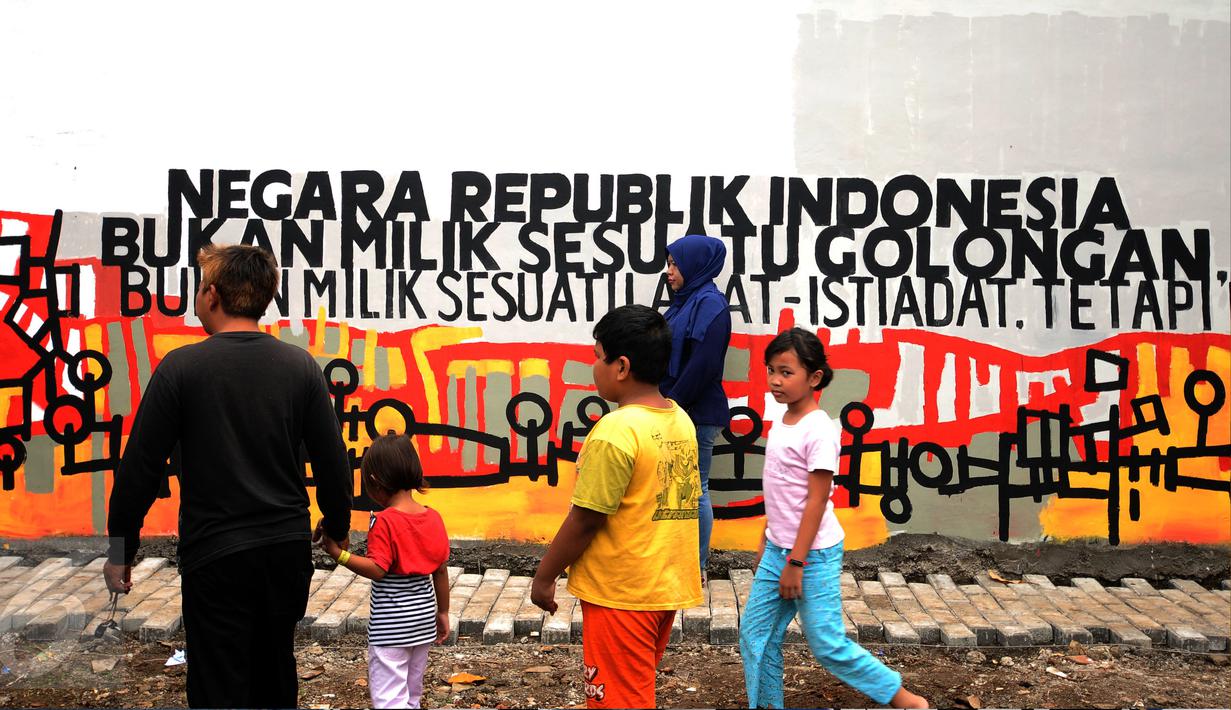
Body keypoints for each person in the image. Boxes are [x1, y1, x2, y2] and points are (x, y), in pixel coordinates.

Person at [103, 244, 354, 709]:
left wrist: (121, 550)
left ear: (212, 296)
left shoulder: (182, 368)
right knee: (276, 671)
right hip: (284, 553)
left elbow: (139, 468)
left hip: (215, 557)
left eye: (200, 288)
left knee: (219, 682)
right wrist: (336, 525)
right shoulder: (300, 368)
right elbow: (333, 461)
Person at [738, 327, 927, 709]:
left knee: (826, 644)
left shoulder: (820, 430)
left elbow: (815, 501)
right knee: (755, 636)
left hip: (812, 556)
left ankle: (906, 700)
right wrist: (768, 537)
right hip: (780, 550)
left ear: (815, 377)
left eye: (786, 372)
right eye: (771, 370)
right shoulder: (783, 421)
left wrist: (795, 561)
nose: (775, 380)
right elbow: (780, 493)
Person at [530, 304, 703, 709]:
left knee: (618, 700)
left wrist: (544, 575)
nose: (594, 366)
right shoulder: (680, 420)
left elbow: (586, 518)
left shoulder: (615, 432)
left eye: (597, 356)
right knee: (634, 688)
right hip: (662, 589)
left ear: (621, 366)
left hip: (622, 595)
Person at [318, 433, 450, 709]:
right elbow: (440, 571)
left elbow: (377, 569)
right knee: (412, 693)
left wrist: (339, 554)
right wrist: (443, 612)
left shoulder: (384, 521)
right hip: (423, 623)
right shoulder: (433, 517)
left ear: (375, 482)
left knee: (389, 696)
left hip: (392, 628)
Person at [660, 233, 731, 581]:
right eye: (669, 264)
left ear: (695, 264)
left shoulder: (710, 305)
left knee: (696, 487)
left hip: (696, 412)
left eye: (675, 264)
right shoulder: (685, 302)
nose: (669, 272)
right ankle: (677, 559)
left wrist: (671, 405)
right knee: (675, 488)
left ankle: (696, 566)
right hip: (677, 409)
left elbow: (703, 365)